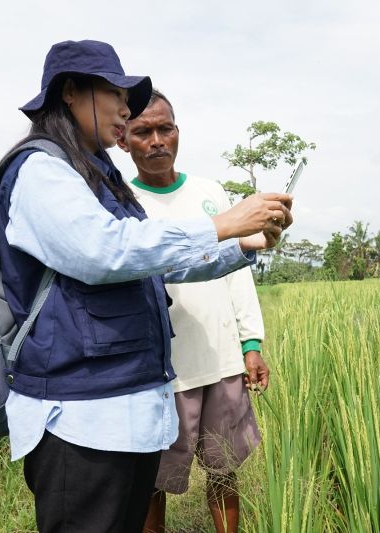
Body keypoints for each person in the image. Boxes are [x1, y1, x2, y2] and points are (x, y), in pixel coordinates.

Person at [0, 40, 292, 532]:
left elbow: (154, 265)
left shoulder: (92, 173)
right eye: (116, 95)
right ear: (71, 92)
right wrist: (223, 223)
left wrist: (246, 244)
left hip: (123, 411)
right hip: (80, 418)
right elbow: (105, 250)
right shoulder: (41, 170)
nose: (126, 109)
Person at [117, 90, 270, 533]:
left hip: (221, 359)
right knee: (152, 480)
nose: (157, 140)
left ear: (178, 132)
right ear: (124, 140)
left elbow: (236, 271)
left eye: (165, 128)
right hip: (162, 370)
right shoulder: (122, 201)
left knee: (224, 470)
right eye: (142, 131)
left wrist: (251, 343)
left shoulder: (210, 192)